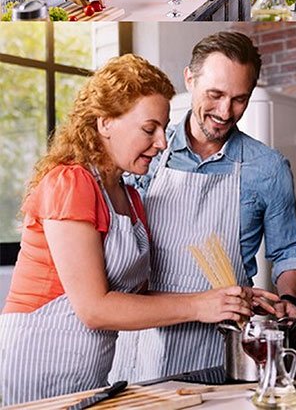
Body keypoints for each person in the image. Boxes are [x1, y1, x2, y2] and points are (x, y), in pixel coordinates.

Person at [0, 56, 255, 405]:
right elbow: (95, 309)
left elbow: (135, 298)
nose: (163, 142)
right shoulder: (70, 182)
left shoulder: (130, 197)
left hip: (87, 374)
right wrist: (198, 306)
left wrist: (225, 300)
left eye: (164, 129)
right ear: (106, 123)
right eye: (149, 129)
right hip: (36, 363)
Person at [111, 31, 296, 382]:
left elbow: (289, 250)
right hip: (145, 341)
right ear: (190, 78)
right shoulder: (148, 154)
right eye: (215, 94)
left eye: (239, 100)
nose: (224, 112)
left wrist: (289, 298)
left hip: (222, 348)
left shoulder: (268, 168)